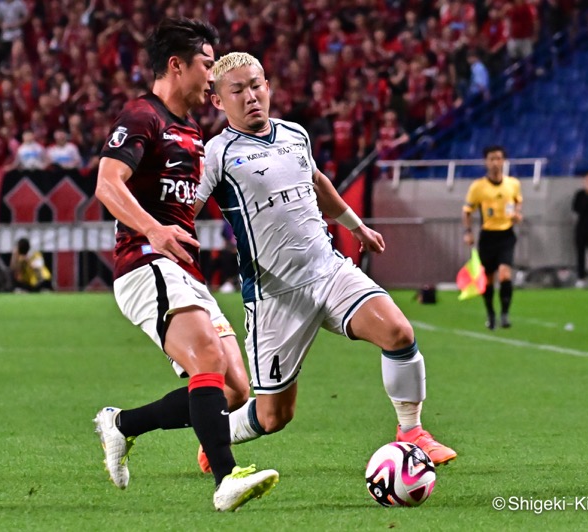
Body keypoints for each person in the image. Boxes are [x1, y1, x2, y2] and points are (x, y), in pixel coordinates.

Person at [195, 52, 456, 473]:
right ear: (218, 101)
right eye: (238, 90)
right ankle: (217, 435)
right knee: (273, 416)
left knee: (398, 331)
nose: (251, 97)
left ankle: (411, 431)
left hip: (329, 270)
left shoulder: (295, 134)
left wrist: (357, 227)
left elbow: (316, 181)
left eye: (257, 85)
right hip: (275, 294)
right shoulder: (217, 154)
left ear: (269, 86)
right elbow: (185, 209)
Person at [91, 19, 278, 512]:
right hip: (144, 263)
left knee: (234, 389)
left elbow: (183, 206)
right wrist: (152, 230)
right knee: (209, 363)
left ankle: (122, 424)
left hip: (182, 270)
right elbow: (108, 185)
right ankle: (226, 479)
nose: (211, 74)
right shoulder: (142, 116)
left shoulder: (191, 131)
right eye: (205, 64)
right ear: (176, 65)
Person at [463, 145, 523, 329]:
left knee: (505, 274)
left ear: (504, 161)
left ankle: (505, 314)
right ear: (486, 162)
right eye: (491, 158)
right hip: (488, 236)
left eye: (498, 158)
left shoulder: (513, 183)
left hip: (506, 235)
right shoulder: (478, 187)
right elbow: (467, 211)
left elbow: (518, 202)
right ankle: (491, 314)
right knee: (487, 279)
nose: (495, 162)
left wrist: (517, 215)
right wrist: (468, 232)